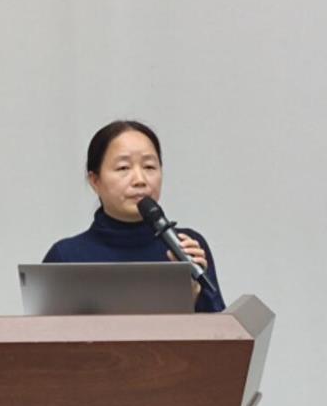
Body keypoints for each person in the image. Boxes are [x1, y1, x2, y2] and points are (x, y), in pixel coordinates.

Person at [43, 120, 226, 313]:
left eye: (149, 167)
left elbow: (223, 329)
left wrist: (194, 294)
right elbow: (43, 331)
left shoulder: (187, 246)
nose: (140, 180)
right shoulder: (66, 257)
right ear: (95, 180)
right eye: (123, 168)